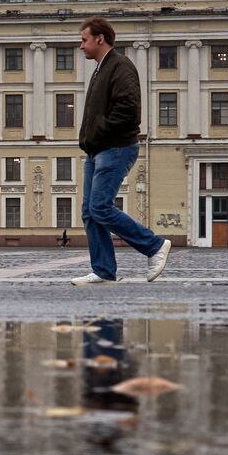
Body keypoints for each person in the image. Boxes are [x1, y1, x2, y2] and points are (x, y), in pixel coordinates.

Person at [72, 16, 171, 285]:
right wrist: (89, 140)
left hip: (115, 148)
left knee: (101, 208)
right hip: (97, 150)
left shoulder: (120, 66)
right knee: (90, 212)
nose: (81, 46)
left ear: (99, 39)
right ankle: (103, 271)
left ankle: (155, 246)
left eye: (84, 40)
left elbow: (128, 110)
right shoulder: (100, 69)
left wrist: (100, 132)